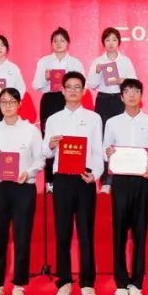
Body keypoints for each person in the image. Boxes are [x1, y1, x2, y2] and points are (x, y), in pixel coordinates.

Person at [41, 71, 103, 295]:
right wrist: (50, 144)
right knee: (63, 232)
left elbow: (97, 151)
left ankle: (87, 283)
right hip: (62, 179)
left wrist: (95, 175)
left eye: (78, 87)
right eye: (69, 87)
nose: (74, 91)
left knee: (86, 232)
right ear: (63, 90)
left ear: (84, 91)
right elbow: (45, 152)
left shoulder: (94, 118)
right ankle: (64, 282)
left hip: (84, 178)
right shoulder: (54, 119)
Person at [0, 87, 43, 295]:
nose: (7, 106)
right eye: (3, 102)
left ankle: (19, 284)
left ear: (19, 104)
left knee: (22, 236)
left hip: (23, 187)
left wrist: (29, 172)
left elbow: (40, 159)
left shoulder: (31, 131)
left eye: (11, 101)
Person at [102, 78, 148, 295]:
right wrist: (108, 153)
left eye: (136, 91)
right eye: (127, 91)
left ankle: (136, 283)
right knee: (118, 232)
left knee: (140, 232)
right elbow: (106, 148)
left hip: (142, 180)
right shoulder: (113, 122)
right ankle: (120, 283)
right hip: (120, 180)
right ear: (121, 96)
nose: (132, 95)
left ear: (141, 95)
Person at [32, 27, 85, 186]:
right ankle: (50, 180)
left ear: (68, 43)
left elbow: (85, 85)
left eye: (62, 40)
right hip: (49, 100)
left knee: (71, 135)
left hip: (69, 100)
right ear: (51, 44)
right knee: (50, 138)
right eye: (55, 41)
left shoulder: (75, 62)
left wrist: (71, 86)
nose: (59, 43)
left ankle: (73, 171)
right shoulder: (44, 62)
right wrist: (46, 77)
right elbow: (36, 85)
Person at [87, 27, 138, 193]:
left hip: (120, 99)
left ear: (119, 43)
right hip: (103, 100)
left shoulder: (125, 61)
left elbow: (135, 83)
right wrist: (97, 72)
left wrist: (123, 81)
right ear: (103, 43)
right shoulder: (98, 61)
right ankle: (106, 181)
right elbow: (91, 84)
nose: (111, 43)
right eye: (107, 40)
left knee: (121, 138)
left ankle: (121, 177)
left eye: (114, 40)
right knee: (104, 139)